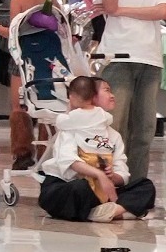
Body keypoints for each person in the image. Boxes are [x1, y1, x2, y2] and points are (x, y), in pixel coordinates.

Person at [94, 0, 162, 183]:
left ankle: (135, 188)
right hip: (116, 55)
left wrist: (121, 10)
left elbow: (162, 11)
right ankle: (108, 186)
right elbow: (108, 5)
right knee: (113, 127)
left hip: (149, 57)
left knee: (144, 131)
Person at [37, 75, 156, 222]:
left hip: (101, 193)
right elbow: (68, 161)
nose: (112, 95)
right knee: (80, 188)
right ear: (92, 97)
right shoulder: (71, 128)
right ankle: (118, 212)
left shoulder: (114, 135)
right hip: (68, 186)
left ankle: (103, 212)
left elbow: (122, 174)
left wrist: (112, 176)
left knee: (146, 186)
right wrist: (99, 175)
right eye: (106, 90)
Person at [0, 0, 58, 172]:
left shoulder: (18, 1)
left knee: (19, 107)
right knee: (48, 106)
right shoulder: (51, 0)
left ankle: (23, 155)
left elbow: (14, 34)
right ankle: (47, 154)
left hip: (24, 58)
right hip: (49, 60)